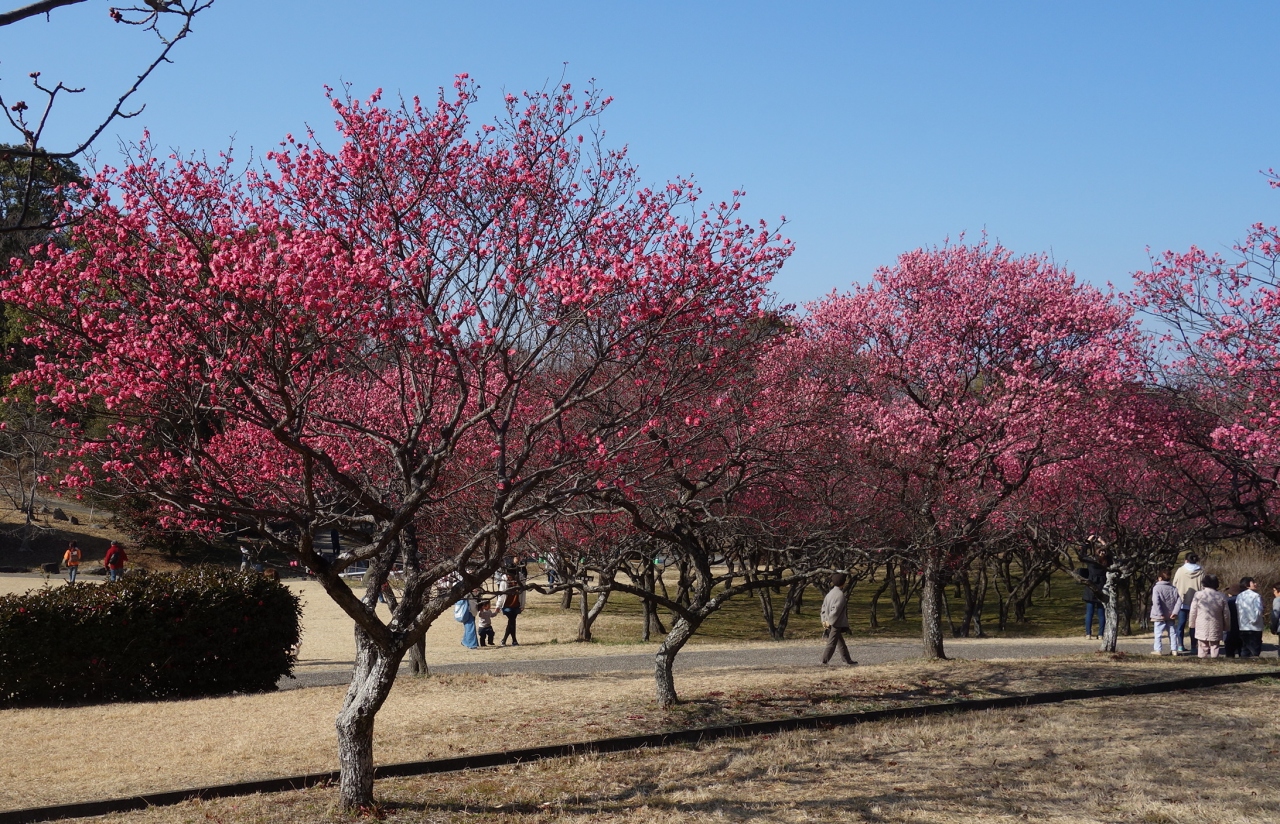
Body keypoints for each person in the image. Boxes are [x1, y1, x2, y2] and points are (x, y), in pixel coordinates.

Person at [1188, 573, 1231, 659]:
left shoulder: (1198, 595)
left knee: (1202, 645)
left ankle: (1202, 661)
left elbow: (1193, 611)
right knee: (1215, 646)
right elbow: (1226, 614)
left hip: (1201, 624)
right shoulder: (1221, 596)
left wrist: (1192, 624)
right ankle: (1215, 661)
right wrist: (1226, 626)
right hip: (1216, 624)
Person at [819, 572, 857, 666]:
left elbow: (823, 608)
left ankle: (847, 660)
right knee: (832, 643)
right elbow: (835, 611)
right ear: (843, 582)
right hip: (835, 623)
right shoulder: (840, 595)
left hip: (828, 621)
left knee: (840, 642)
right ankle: (824, 661)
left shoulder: (830, 593)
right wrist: (830, 622)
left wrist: (824, 621)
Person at [1172, 553, 1204, 654]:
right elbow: (1203, 586)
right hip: (1196, 601)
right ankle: (1194, 646)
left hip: (1181, 601)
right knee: (1193, 625)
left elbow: (1174, 584)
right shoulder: (1201, 571)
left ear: (1186, 560)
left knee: (1181, 624)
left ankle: (1180, 645)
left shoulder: (1180, 570)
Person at [1078, 544, 1110, 640]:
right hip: (1102, 587)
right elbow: (1111, 555)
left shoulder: (1092, 561)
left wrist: (1087, 542)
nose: (1102, 553)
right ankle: (1100, 634)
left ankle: (1088, 634)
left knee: (1090, 613)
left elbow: (1082, 555)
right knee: (1101, 613)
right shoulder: (1107, 561)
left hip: (1091, 587)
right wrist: (1104, 543)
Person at [1149, 569, 1182, 655]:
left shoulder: (1156, 588)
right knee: (1172, 633)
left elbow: (1156, 602)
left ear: (1160, 578)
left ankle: (1158, 650)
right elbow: (1179, 601)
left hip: (1159, 615)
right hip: (1170, 614)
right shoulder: (1174, 588)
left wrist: (1160, 613)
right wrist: (1175, 612)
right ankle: (1174, 650)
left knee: (1158, 633)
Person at [1235, 576, 1264, 658]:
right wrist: (1254, 620)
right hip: (1255, 627)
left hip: (1243, 626)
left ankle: (1244, 663)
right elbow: (1258, 610)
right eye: (1253, 582)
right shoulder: (1256, 596)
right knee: (1255, 650)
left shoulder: (1239, 596)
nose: (1255, 584)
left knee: (1245, 648)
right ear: (1246, 585)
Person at [497, 568, 525, 646]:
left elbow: (523, 593)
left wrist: (522, 604)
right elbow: (501, 593)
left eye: (509, 575)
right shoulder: (504, 579)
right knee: (512, 621)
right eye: (507, 575)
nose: (508, 577)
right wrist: (498, 605)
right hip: (506, 605)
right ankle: (513, 640)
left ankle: (505, 640)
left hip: (516, 604)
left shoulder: (520, 579)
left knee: (512, 622)